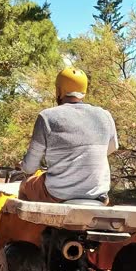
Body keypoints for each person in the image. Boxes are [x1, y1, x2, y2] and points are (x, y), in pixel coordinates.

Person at [19, 67, 119, 203]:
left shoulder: (47, 117)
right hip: (98, 196)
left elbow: (30, 167)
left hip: (57, 195)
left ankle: (25, 224)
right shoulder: (105, 115)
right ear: (84, 91)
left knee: (25, 186)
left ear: (59, 90)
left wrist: (24, 166)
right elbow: (111, 148)